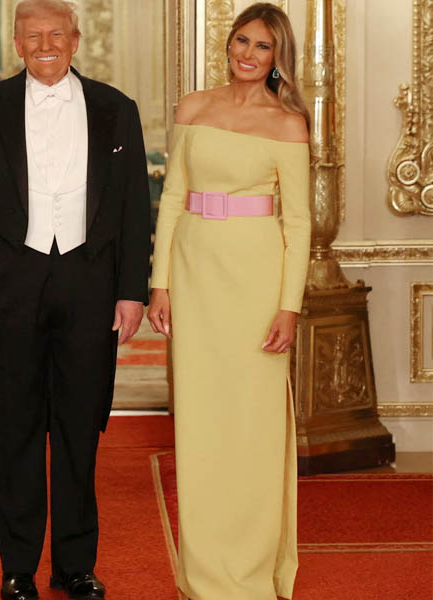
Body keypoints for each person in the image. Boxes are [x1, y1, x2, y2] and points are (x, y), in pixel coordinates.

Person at [0, 1, 152, 598]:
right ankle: (17, 569)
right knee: (13, 432)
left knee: (79, 430)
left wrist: (131, 291)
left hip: (90, 283)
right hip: (9, 283)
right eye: (33, 34)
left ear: (76, 40)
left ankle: (74, 565)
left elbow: (135, 208)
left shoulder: (117, 109)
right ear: (15, 43)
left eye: (56, 34)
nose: (45, 44)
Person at [147, 3, 310, 599]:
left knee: (254, 426)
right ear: (229, 44)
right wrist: (159, 281)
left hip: (257, 281)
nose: (247, 54)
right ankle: (204, 575)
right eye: (241, 41)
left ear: (277, 57)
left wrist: (288, 306)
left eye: (262, 46)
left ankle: (249, 574)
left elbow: (300, 221)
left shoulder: (290, 124)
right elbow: (171, 199)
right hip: (195, 275)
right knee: (200, 424)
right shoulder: (193, 107)